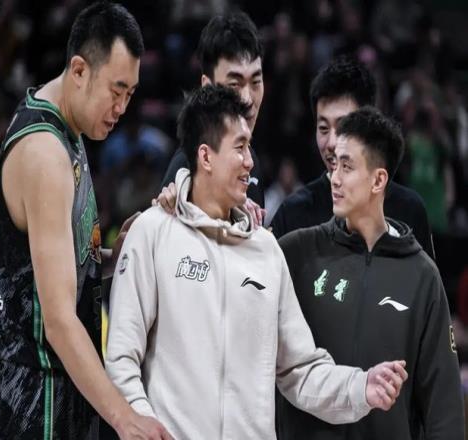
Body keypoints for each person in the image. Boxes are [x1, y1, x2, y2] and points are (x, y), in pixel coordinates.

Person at [105, 85, 407, 439]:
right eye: (240, 147)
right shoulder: (152, 233)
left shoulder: (266, 250)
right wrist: (145, 427)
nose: (250, 161)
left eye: (249, 146)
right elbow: (121, 358)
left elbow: (300, 369)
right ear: (205, 157)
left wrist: (360, 386)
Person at [0, 3, 172, 439]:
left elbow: (47, 266)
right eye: (116, 90)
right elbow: (58, 320)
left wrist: (110, 258)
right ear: (79, 70)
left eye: (131, 94)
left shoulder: (68, 124)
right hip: (34, 400)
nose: (122, 107)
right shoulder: (45, 155)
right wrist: (125, 418)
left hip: (58, 391)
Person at [277, 106, 464, 439]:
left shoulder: (422, 276)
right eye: (335, 164)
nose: (334, 177)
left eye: (347, 166)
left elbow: (443, 407)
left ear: (379, 180)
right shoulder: (296, 252)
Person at [270, 56, 434, 259]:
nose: (331, 143)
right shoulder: (293, 213)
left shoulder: (409, 209)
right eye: (323, 128)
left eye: (343, 127)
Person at [157, 11, 265, 224]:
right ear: (208, 87)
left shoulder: (251, 161)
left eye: (255, 82)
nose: (247, 99)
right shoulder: (184, 169)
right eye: (234, 84)